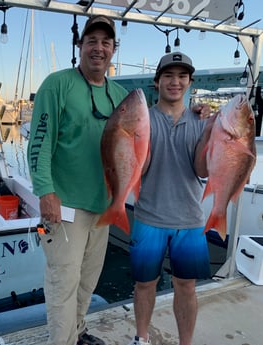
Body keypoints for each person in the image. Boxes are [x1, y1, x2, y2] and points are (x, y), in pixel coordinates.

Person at [27, 15, 128, 345]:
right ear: (80, 46)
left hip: (102, 209)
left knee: (87, 281)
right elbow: (38, 144)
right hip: (64, 207)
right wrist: (45, 192)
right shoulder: (56, 85)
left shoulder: (120, 94)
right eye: (92, 41)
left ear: (113, 49)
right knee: (62, 283)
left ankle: (78, 331)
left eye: (106, 42)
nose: (99, 48)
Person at [127, 52, 213, 345]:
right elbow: (142, 168)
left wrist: (212, 128)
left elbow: (201, 170)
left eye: (181, 76)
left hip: (189, 219)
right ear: (157, 81)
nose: (175, 82)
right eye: (168, 76)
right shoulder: (142, 118)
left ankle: (185, 343)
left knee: (186, 286)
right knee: (144, 284)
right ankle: (141, 338)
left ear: (190, 82)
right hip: (148, 216)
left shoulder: (202, 121)